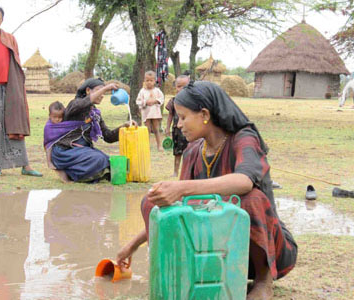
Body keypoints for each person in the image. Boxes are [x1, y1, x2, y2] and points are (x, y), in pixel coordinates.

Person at [117, 81, 297, 300]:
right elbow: (177, 209)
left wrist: (182, 188)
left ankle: (263, 281)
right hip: (217, 248)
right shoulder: (193, 151)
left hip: (262, 249)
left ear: (204, 114)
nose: (178, 125)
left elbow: (244, 181)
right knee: (151, 201)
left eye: (183, 117)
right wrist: (132, 245)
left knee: (250, 200)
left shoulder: (244, 138)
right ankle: (186, 270)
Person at [0, 2, 42, 177]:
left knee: (14, 125)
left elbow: (16, 63)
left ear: (2, 20)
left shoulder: (10, 38)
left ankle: (25, 166)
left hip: (9, 88)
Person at [44, 78, 135, 183]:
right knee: (99, 159)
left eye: (103, 92)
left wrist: (123, 127)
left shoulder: (95, 113)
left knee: (109, 161)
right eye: (99, 90)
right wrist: (106, 88)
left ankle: (79, 172)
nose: (102, 95)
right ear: (88, 90)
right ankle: (71, 172)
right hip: (65, 152)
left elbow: (108, 136)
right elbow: (84, 103)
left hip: (83, 152)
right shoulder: (75, 105)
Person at [165, 75, 190, 177]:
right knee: (177, 152)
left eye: (184, 86)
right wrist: (167, 127)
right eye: (179, 86)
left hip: (189, 130)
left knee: (189, 151)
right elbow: (170, 115)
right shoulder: (173, 101)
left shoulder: (192, 101)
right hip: (177, 130)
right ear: (175, 87)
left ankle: (187, 172)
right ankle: (175, 172)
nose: (181, 89)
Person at [136, 70, 164, 151]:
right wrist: (145, 102)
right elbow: (138, 101)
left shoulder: (157, 90)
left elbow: (161, 99)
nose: (149, 82)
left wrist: (155, 101)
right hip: (146, 113)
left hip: (155, 112)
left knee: (156, 129)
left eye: (151, 80)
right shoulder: (142, 91)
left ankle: (159, 145)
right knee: (146, 130)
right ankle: (146, 146)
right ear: (144, 81)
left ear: (154, 81)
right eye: (147, 80)